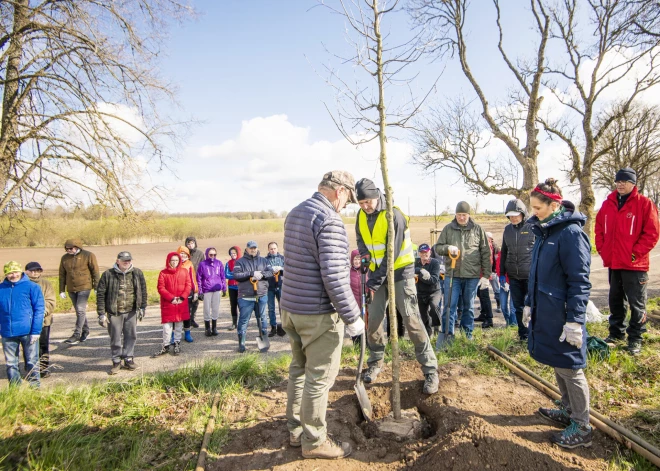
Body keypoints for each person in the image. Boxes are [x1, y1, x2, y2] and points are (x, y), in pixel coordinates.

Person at [281, 170, 364, 460]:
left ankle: (295, 430)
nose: (346, 206)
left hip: (291, 308)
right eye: (348, 199)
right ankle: (314, 440)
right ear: (339, 191)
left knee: (299, 369)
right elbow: (334, 276)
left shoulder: (295, 213)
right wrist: (352, 317)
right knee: (319, 377)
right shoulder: (329, 220)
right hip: (317, 314)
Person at [525, 178, 593, 449]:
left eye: (538, 207)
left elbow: (579, 281)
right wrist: (530, 302)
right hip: (547, 311)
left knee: (570, 366)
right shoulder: (545, 232)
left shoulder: (570, 234)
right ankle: (566, 409)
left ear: (554, 205)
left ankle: (582, 424)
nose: (534, 212)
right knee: (557, 360)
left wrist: (575, 320)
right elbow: (536, 274)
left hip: (564, 313)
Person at [355, 177, 438, 394]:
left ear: (377, 196)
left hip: (400, 272)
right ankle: (375, 362)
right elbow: (360, 238)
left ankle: (430, 370)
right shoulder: (361, 215)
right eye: (361, 203)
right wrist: (365, 255)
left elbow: (391, 256)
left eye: (368, 202)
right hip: (375, 273)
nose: (365, 206)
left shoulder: (395, 215)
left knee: (412, 320)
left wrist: (374, 282)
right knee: (373, 320)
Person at [595, 167, 660, 355]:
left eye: (624, 181)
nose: (620, 184)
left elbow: (652, 233)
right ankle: (616, 334)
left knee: (637, 303)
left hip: (635, 265)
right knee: (615, 300)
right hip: (614, 263)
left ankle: (635, 338)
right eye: (618, 181)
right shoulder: (607, 205)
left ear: (633, 183)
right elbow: (599, 229)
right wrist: (602, 249)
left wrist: (636, 253)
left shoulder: (645, 204)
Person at [434, 201, 491, 342]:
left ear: (469, 215)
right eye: (459, 215)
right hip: (452, 275)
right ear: (455, 215)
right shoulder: (448, 229)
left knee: (469, 307)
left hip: (471, 275)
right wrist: (448, 248)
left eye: (464, 215)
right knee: (449, 306)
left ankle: (467, 336)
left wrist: (486, 276)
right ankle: (448, 335)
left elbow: (485, 252)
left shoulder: (477, 230)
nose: (461, 217)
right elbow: (438, 247)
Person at [96, 251, 148, 375]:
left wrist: (142, 307)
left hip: (131, 311)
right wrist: (101, 313)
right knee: (115, 338)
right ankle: (116, 361)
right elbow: (101, 295)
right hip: (114, 312)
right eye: (124, 260)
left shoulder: (137, 273)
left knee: (131, 336)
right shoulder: (108, 274)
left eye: (129, 260)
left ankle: (129, 358)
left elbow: (143, 290)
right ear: (117, 261)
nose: (127, 262)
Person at [0, 261, 44, 387]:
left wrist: (36, 331)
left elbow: (39, 309)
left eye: (15, 272)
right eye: (9, 273)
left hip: (28, 331)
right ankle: (15, 388)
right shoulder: (1, 289)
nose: (13, 275)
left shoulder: (32, 287)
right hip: (8, 332)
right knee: (11, 363)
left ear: (21, 272)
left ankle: (35, 387)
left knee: (31, 361)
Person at [499, 198, 535, 341]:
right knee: (518, 307)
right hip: (514, 276)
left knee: (533, 306)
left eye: (516, 214)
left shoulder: (532, 227)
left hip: (530, 275)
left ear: (522, 214)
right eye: (510, 215)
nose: (513, 218)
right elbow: (504, 252)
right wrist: (502, 273)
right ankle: (523, 334)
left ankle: (535, 334)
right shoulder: (507, 230)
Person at [232, 240, 273, 352]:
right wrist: (251, 273)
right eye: (251, 248)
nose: (253, 250)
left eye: (254, 248)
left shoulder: (264, 261)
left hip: (261, 294)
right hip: (245, 296)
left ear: (257, 248)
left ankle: (263, 337)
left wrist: (262, 275)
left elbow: (271, 273)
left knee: (263, 318)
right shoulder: (240, 262)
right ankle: (242, 342)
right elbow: (236, 275)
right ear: (246, 249)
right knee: (244, 319)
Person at [59, 238, 100, 345]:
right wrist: (61, 290)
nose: (68, 250)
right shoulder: (64, 258)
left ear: (77, 247)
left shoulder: (88, 255)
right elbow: (62, 275)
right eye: (66, 248)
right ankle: (86, 331)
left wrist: (96, 287)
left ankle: (77, 334)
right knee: (79, 311)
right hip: (71, 288)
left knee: (80, 309)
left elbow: (95, 272)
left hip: (84, 286)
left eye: (70, 248)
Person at [153, 252, 191, 357]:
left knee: (179, 325)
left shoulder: (184, 271)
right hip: (168, 303)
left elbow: (188, 285)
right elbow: (161, 287)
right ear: (168, 261)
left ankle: (177, 343)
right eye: (172, 260)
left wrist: (182, 297)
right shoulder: (163, 273)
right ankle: (165, 345)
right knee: (167, 327)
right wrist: (171, 298)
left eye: (176, 260)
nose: (174, 262)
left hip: (181, 303)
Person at [25, 262, 56, 378]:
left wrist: (40, 313)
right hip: (26, 320)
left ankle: (43, 368)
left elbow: (51, 301)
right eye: (32, 270)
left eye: (38, 270)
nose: (35, 273)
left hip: (44, 320)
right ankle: (30, 368)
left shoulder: (46, 284)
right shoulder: (22, 283)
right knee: (28, 346)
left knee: (43, 345)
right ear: (26, 271)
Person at [196, 247, 226, 337]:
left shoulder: (219, 263)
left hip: (217, 289)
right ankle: (207, 328)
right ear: (207, 254)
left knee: (215, 308)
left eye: (214, 254)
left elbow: (222, 276)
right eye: (211, 254)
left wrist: (224, 288)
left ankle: (214, 327)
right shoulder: (202, 264)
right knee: (207, 309)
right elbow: (199, 278)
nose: (212, 256)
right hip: (207, 289)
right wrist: (200, 291)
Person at [414, 243, 442, 337]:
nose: (424, 255)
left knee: (434, 307)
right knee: (423, 315)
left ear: (430, 252)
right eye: (422, 253)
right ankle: (428, 335)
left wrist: (419, 276)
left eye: (426, 252)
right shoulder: (415, 262)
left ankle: (437, 327)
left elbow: (433, 280)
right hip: (420, 292)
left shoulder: (435, 263)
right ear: (419, 253)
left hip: (434, 291)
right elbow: (409, 270)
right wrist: (420, 270)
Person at [176, 245, 199, 341]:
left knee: (186, 314)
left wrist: (196, 292)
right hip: (176, 292)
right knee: (175, 314)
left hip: (188, 292)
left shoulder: (189, 264)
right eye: (181, 254)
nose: (183, 256)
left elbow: (193, 279)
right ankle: (174, 335)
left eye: (185, 254)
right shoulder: (174, 264)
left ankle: (187, 333)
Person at [265, 241, 285, 337]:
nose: (273, 250)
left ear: (277, 249)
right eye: (271, 249)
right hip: (270, 287)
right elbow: (263, 274)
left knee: (282, 307)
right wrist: (271, 272)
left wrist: (281, 270)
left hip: (281, 286)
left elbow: (288, 271)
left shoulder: (282, 259)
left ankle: (284, 327)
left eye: (274, 248)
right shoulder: (264, 260)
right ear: (268, 250)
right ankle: (273, 327)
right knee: (271, 308)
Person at [185, 236, 204, 328]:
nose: (190, 245)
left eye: (192, 243)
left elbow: (203, 266)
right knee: (187, 302)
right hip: (186, 281)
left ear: (195, 243)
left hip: (196, 280)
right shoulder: (184, 253)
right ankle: (186, 320)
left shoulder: (200, 253)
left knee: (195, 301)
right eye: (188, 243)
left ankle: (192, 319)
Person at [225, 246, 241, 330]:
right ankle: (234, 323)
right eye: (231, 253)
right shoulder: (228, 263)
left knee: (241, 304)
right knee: (233, 305)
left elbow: (243, 274)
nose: (233, 255)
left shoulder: (242, 262)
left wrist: (234, 274)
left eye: (234, 253)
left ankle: (242, 323)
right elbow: (226, 274)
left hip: (240, 287)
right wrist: (236, 275)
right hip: (231, 287)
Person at [487, 232, 501, 312]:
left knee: (496, 289)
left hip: (493, 272)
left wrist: (494, 271)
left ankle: (499, 305)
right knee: (482, 290)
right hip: (484, 272)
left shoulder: (495, 248)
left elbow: (497, 260)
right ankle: (484, 306)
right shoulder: (483, 246)